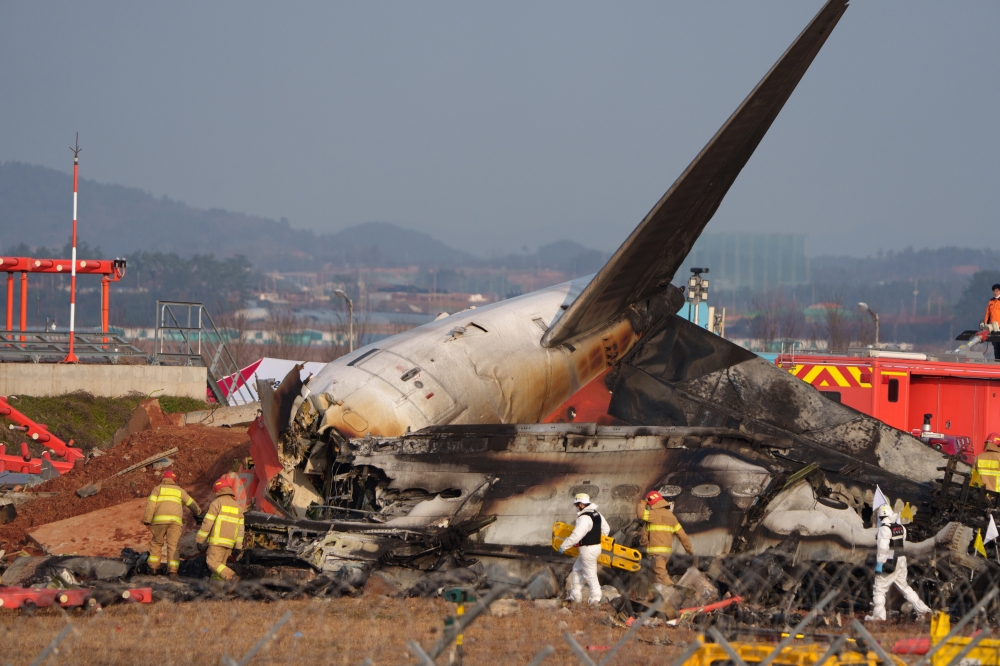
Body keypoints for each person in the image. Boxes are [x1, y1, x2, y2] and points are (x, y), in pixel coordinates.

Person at [865, 503, 931, 621]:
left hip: (889, 561)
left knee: (879, 589)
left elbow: (883, 549)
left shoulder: (884, 530)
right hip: (901, 559)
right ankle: (923, 610)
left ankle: (878, 617)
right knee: (905, 587)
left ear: (880, 517)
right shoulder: (900, 527)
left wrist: (880, 563)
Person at [142, 470, 201, 578]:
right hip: (175, 523)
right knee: (173, 546)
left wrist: (147, 520)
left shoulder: (157, 489)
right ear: (174, 480)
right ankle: (172, 571)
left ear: (162, 479)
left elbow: (150, 505)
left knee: (156, 544)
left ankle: (154, 569)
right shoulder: (179, 491)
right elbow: (190, 502)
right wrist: (198, 512)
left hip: (159, 522)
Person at [558, 493, 610, 605]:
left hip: (587, 549)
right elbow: (606, 529)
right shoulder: (596, 514)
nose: (576, 507)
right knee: (577, 569)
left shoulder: (584, 518)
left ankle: (596, 598)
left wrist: (564, 546)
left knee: (590, 573)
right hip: (595, 547)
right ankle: (575, 595)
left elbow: (576, 535)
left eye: (577, 505)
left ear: (581, 504)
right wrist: (596, 538)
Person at [636, 490, 693, 587]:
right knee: (652, 575)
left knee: (661, 574)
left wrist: (642, 503)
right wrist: (688, 549)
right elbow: (682, 535)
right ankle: (652, 596)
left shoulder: (654, 514)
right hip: (666, 552)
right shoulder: (672, 517)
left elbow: (640, 514)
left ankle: (675, 588)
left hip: (656, 552)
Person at [196, 477, 245, 583]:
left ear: (218, 490)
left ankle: (232, 577)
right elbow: (241, 530)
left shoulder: (217, 503)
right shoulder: (238, 507)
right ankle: (217, 592)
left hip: (217, 542)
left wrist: (200, 540)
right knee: (219, 569)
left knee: (212, 562)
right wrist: (238, 546)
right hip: (229, 544)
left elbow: (207, 523)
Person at [982, 284, 1000, 360]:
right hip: (992, 327)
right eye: (994, 291)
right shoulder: (991, 301)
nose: (995, 292)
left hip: (999, 327)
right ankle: (997, 361)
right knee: (995, 345)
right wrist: (985, 325)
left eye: (996, 291)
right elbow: (987, 314)